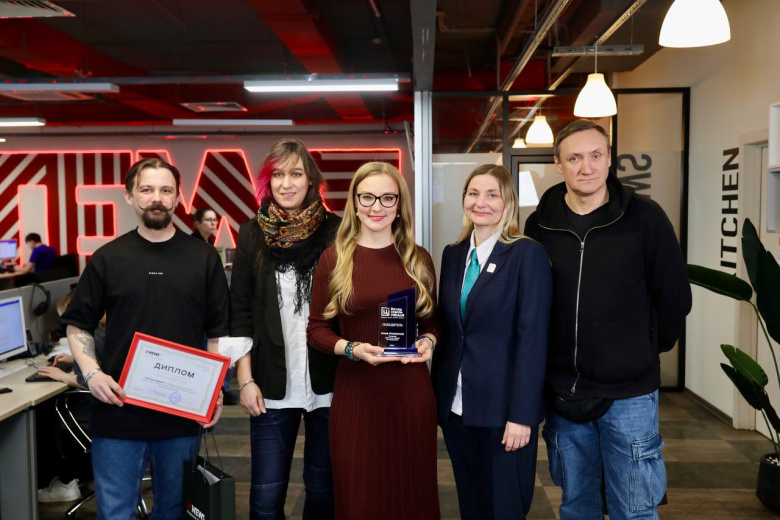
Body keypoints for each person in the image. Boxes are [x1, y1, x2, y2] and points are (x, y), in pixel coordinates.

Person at [524, 119, 692, 520]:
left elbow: (673, 296)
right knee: (577, 506)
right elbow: (534, 303)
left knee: (634, 509)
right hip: (564, 392)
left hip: (629, 394)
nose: (587, 167)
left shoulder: (645, 217)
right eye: (575, 158)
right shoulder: (539, 224)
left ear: (609, 159)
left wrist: (642, 349)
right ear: (558, 164)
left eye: (596, 156)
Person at [60, 157, 230, 520]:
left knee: (172, 511)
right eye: (147, 189)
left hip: (181, 411)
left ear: (177, 197)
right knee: (115, 513)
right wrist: (92, 374)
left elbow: (219, 330)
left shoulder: (203, 258)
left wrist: (215, 388)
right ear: (129, 196)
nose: (157, 198)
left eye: (166, 190)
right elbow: (77, 325)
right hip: (117, 410)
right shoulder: (108, 258)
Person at [307, 162, 440, 520]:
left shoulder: (418, 258)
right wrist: (351, 349)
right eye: (367, 197)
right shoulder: (334, 259)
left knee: (411, 496)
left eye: (387, 198)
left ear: (399, 204)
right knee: (359, 497)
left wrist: (428, 341)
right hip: (357, 394)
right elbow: (316, 330)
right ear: (354, 202)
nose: (376, 207)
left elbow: (433, 323)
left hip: (410, 394)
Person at [432, 164, 552, 520]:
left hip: (503, 413)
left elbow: (533, 341)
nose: (480, 202)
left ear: (508, 202)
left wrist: (522, 416)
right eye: (473, 193)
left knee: (505, 509)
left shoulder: (527, 255)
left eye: (492, 195)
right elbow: (452, 328)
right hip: (457, 409)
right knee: (472, 506)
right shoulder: (454, 254)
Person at [230, 139, 341, 520]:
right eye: (278, 174)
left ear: (311, 181)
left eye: (296, 174)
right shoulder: (251, 233)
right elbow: (240, 312)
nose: (286, 183)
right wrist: (245, 379)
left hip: (328, 382)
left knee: (323, 490)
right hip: (270, 385)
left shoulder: (337, 231)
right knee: (265, 498)